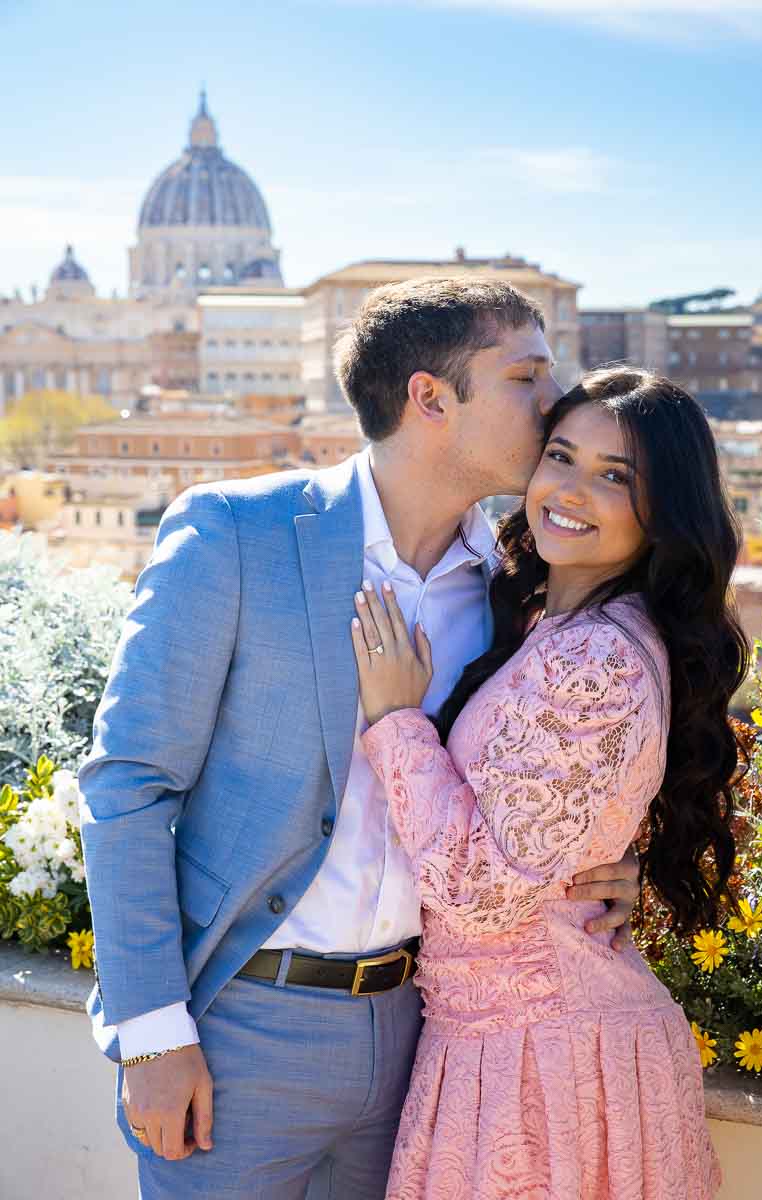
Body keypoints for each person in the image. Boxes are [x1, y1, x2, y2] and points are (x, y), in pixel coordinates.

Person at [78, 279, 641, 1200]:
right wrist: (152, 1034)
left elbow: (547, 766)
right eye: (528, 377)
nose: (556, 403)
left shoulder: (516, 580)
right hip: (239, 1030)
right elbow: (129, 787)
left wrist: (618, 861)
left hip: (428, 1037)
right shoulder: (235, 532)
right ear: (430, 399)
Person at [351, 365, 749, 1200]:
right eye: (561, 456)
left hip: (541, 1061)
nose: (571, 490)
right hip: (520, 1041)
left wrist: (395, 721)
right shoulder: (553, 622)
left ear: (663, 509)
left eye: (615, 477)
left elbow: (477, 890)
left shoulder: (596, 655)